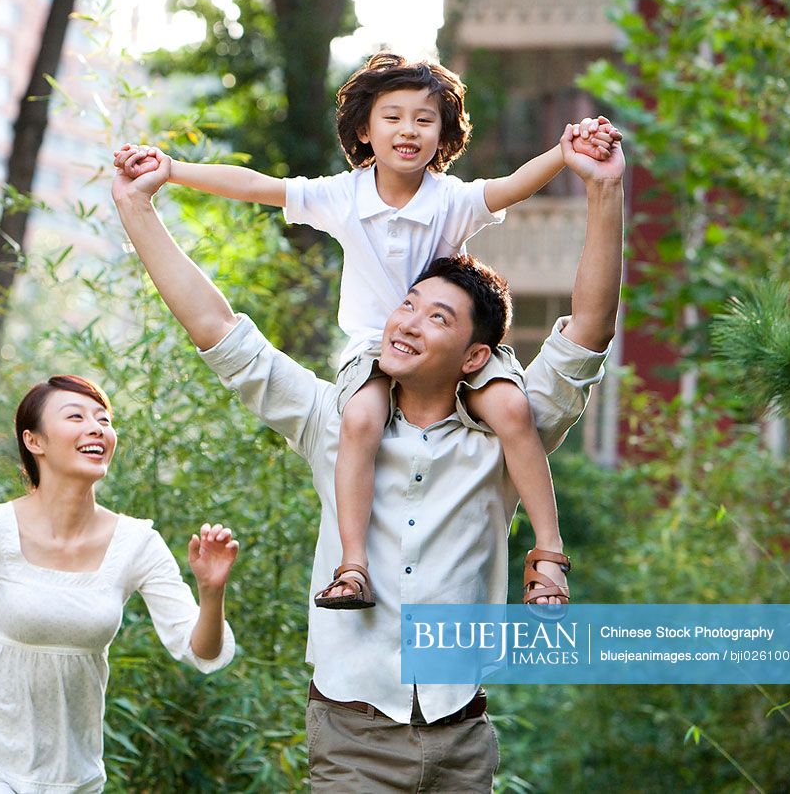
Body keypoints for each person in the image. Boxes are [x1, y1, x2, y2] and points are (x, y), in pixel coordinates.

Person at [111, 126, 625, 790]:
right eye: (406, 305)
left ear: (475, 356)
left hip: (461, 733)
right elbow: (219, 332)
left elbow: (589, 330)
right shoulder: (334, 420)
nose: (407, 321)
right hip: (350, 732)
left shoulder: (506, 435)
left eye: (437, 318)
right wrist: (137, 209)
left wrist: (604, 189)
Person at [115, 53, 620, 609]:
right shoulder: (341, 196)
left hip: (458, 349)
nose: (409, 130)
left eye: (425, 120)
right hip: (371, 347)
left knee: (514, 412)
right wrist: (173, 171)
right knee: (357, 419)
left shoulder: (451, 201)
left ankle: (548, 555)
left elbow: (514, 185)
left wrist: (565, 154)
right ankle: (352, 565)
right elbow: (258, 185)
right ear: (364, 129)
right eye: (393, 117)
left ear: (444, 134)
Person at [0, 374, 239, 793]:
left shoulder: (137, 544)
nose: (96, 427)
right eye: (76, 416)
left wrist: (211, 592)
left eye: (103, 418)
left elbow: (200, 649)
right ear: (34, 441)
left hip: (70, 771)